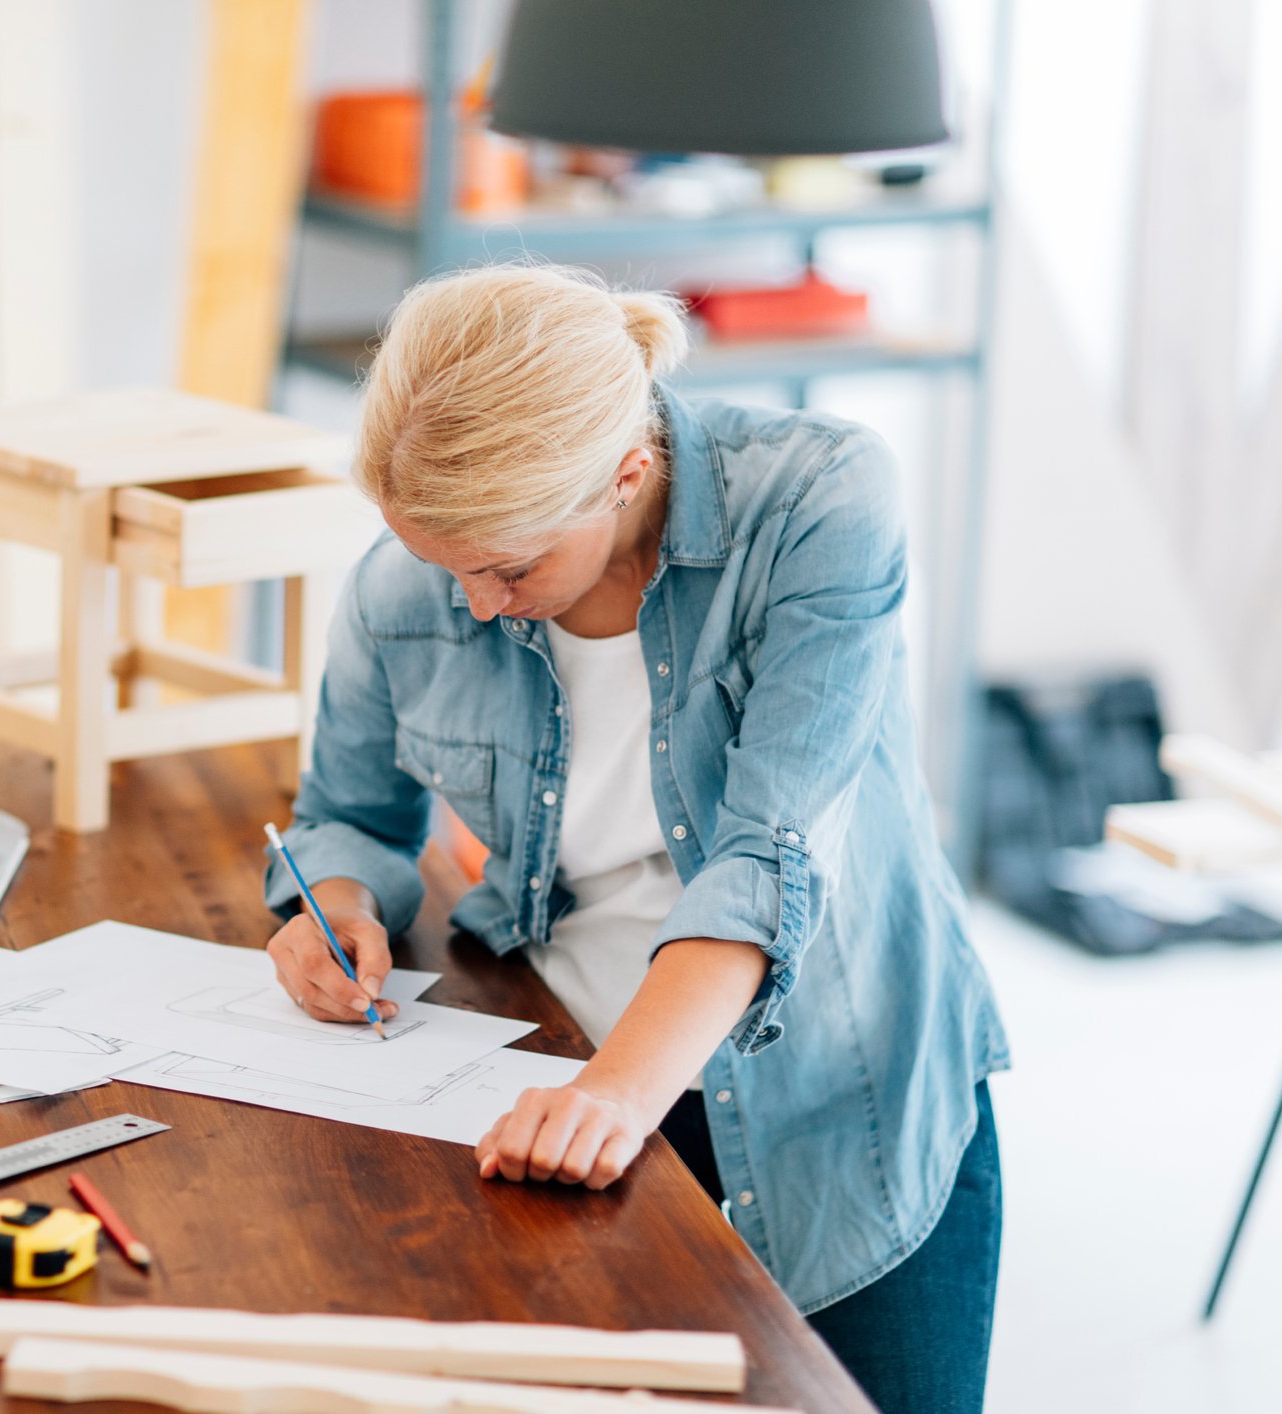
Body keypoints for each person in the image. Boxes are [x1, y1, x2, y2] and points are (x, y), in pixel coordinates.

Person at [262, 264, 1009, 1414]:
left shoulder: (823, 502)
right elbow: (350, 814)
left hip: (839, 1102)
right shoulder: (410, 587)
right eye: (440, 563)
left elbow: (770, 858)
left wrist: (617, 1097)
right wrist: (340, 905)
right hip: (561, 1079)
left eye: (508, 568)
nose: (471, 604)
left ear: (626, 472)